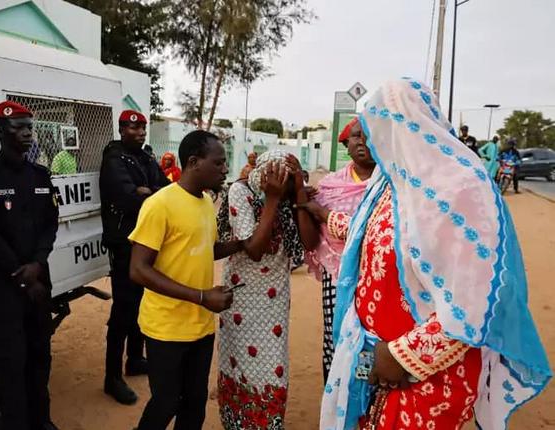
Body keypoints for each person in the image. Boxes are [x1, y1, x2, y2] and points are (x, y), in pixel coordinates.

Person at [320, 78, 551, 430]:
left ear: (406, 122)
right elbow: (365, 236)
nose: (369, 139)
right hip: (372, 358)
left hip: (427, 376)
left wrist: (400, 356)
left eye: (376, 127)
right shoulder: (388, 182)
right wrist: (318, 212)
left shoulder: (461, 188)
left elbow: (476, 299)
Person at [130, 130, 244, 430]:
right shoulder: (160, 205)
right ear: (193, 162)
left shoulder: (206, 202)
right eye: (219, 163)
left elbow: (206, 249)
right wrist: (203, 297)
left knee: (194, 406)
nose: (224, 169)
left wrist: (242, 243)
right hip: (166, 328)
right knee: (166, 402)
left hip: (201, 327)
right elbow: (138, 269)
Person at [0, 101, 60, 430]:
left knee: (40, 357)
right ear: (0, 131)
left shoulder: (40, 175)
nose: (26, 134)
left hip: (38, 283)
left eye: (29, 127)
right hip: (4, 287)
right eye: (18, 127)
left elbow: (51, 222)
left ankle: (42, 420)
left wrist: (37, 263)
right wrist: (21, 273)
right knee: (11, 363)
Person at [215, 150, 318, 429]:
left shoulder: (288, 199)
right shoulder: (241, 191)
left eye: (286, 177)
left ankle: (267, 423)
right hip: (243, 297)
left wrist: (298, 192)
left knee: (274, 366)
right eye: (276, 175)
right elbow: (255, 249)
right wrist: (273, 198)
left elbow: (309, 243)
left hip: (274, 299)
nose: (278, 182)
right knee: (238, 363)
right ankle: (238, 421)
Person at [99, 110, 170, 404]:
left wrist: (148, 192)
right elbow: (128, 199)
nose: (140, 131)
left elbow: (167, 190)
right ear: (121, 129)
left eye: (142, 126)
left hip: (145, 242)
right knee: (123, 310)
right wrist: (147, 194)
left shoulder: (144, 158)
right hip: (123, 245)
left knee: (142, 305)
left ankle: (135, 359)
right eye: (133, 127)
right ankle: (112, 377)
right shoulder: (114, 158)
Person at [298, 117, 375, 383]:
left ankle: (361, 392)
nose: (361, 141)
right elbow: (309, 242)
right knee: (337, 336)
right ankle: (336, 395)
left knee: (368, 338)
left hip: (377, 279)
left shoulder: (392, 186)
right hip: (337, 279)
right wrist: (301, 202)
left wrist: (323, 214)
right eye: (355, 136)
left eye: (368, 135)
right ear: (346, 144)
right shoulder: (331, 186)